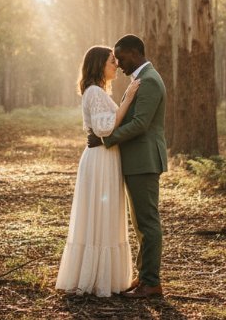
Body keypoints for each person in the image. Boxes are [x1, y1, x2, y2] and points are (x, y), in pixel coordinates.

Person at [55, 46, 140, 297]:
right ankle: (94, 277)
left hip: (107, 158)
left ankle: (107, 276)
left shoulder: (99, 92)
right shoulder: (94, 92)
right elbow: (104, 129)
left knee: (107, 213)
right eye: (112, 61)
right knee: (98, 214)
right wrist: (127, 99)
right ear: (99, 65)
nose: (116, 65)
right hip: (100, 159)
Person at [87, 34, 167, 298]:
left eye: (120, 58)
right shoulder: (140, 80)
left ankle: (152, 283)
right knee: (139, 223)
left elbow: (141, 124)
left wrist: (106, 140)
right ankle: (144, 277)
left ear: (134, 52)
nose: (119, 64)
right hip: (135, 160)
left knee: (147, 222)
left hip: (144, 160)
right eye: (115, 60)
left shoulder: (150, 81)